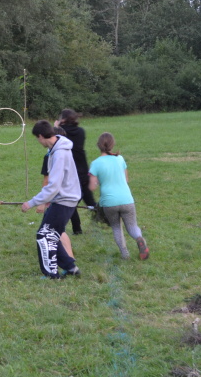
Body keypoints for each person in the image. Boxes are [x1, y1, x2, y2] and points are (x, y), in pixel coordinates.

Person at [21, 120, 82, 278]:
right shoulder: (56, 149)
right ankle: (70, 267)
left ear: (41, 136)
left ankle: (51, 275)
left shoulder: (59, 153)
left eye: (37, 138)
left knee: (44, 236)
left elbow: (53, 186)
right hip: (62, 199)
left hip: (65, 200)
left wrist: (31, 202)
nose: (38, 142)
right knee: (51, 234)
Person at [88, 132, 149, 260]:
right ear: (112, 144)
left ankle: (125, 254)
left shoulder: (95, 163)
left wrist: (98, 181)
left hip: (109, 202)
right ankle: (139, 238)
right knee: (132, 226)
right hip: (126, 199)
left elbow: (92, 187)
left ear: (98, 145)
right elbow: (126, 179)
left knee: (116, 227)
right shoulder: (120, 159)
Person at [54, 109, 96, 235]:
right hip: (83, 168)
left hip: (71, 171)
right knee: (89, 200)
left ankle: (77, 229)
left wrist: (56, 127)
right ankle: (105, 219)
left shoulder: (61, 133)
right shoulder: (80, 131)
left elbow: (55, 141)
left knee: (71, 202)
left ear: (63, 119)